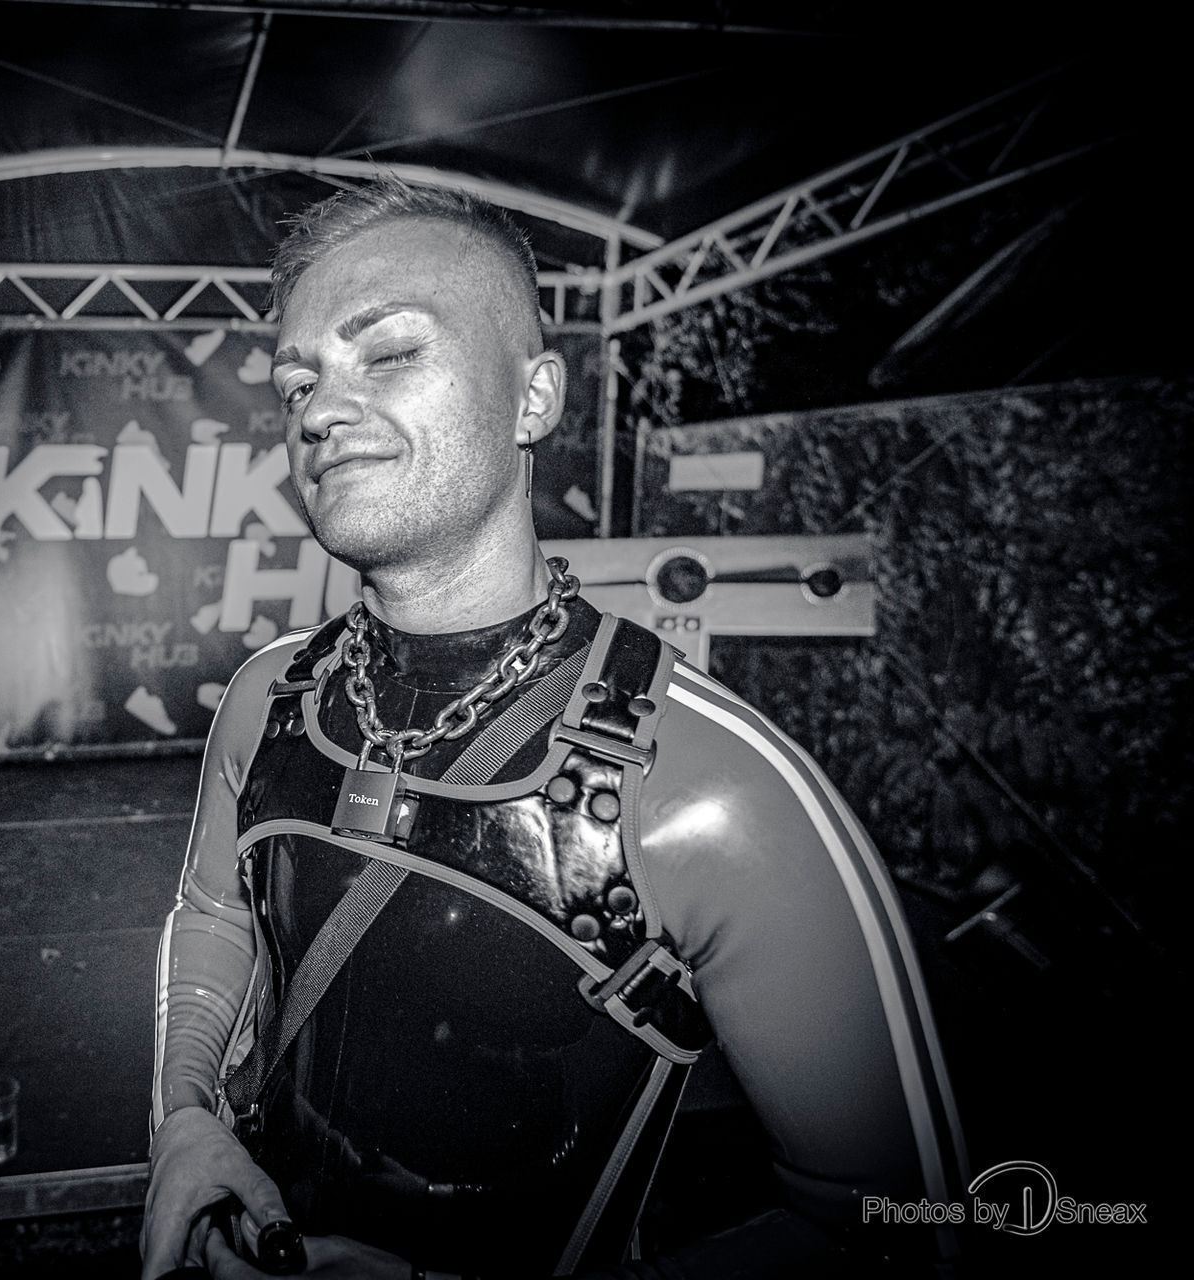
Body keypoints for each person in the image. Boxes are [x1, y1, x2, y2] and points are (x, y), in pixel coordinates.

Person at [142, 179, 967, 1278]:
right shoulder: (267, 697)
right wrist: (186, 1114)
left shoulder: (717, 787)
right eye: (298, 382)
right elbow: (212, 913)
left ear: (534, 397)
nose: (320, 410)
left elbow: (908, 1226)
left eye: (390, 352)